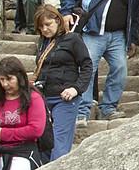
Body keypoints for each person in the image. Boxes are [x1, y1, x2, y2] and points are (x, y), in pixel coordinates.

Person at [61, 0, 139, 121]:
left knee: (120, 69)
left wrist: (132, 39)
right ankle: (83, 110)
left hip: (118, 36)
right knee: (88, 69)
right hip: (93, 32)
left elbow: (135, 14)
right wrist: (66, 12)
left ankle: (108, 108)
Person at [32, 8, 95, 162]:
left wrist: (76, 88)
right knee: (44, 141)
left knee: (60, 143)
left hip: (65, 98)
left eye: (47, 24)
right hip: (44, 98)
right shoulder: (43, 42)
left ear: (58, 20)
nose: (44, 29)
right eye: (41, 27)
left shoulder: (73, 39)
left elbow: (87, 66)